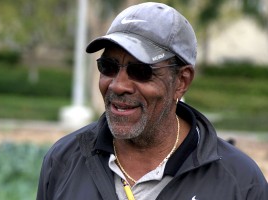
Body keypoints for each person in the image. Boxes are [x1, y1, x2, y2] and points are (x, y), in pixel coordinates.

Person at [36, 2, 268, 200]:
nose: (118, 85)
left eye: (141, 70)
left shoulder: (239, 181)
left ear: (182, 81)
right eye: (108, 67)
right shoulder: (64, 160)